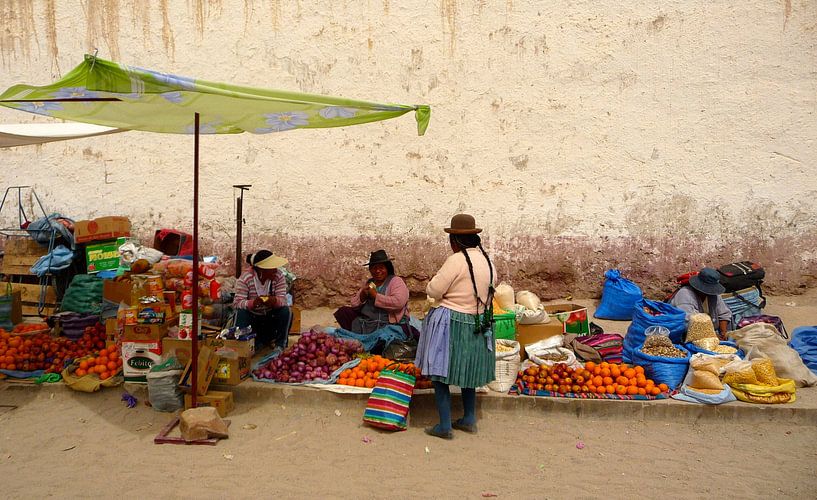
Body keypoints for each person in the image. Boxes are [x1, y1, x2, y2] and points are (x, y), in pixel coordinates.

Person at [415, 214, 496, 439]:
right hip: (477, 322)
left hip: (450, 321)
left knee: (439, 371)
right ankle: (469, 418)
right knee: (467, 370)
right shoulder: (488, 260)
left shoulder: (456, 260)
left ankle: (444, 426)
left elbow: (434, 290)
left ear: (455, 241)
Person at [333, 249, 409, 334]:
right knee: (344, 312)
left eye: (381, 267)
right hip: (368, 321)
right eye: (374, 268)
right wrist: (362, 296)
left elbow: (398, 302)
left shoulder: (396, 281)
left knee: (387, 335)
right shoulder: (370, 282)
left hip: (387, 323)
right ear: (370, 270)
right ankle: (360, 336)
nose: (377, 271)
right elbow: (354, 304)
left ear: (387, 268)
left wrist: (376, 296)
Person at [233, 250, 292, 350]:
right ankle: (242, 345)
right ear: (262, 269)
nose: (275, 270)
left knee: (286, 311)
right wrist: (253, 303)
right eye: (271, 268)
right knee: (241, 313)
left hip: (269, 317)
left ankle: (280, 345)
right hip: (252, 318)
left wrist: (274, 301)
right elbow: (237, 303)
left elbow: (283, 300)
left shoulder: (278, 276)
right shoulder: (246, 278)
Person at [670, 267, 731, 339]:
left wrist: (723, 332)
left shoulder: (714, 295)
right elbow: (689, 321)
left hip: (710, 335)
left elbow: (724, 314)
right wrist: (712, 335)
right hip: (687, 334)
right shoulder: (685, 294)